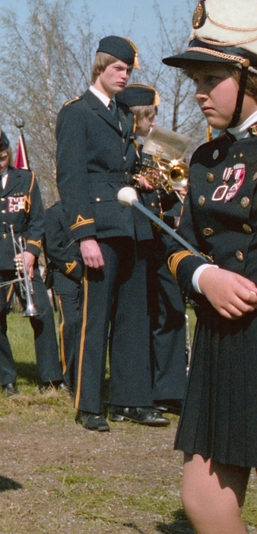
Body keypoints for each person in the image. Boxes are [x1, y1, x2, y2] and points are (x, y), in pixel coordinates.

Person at [155, 0, 257, 533]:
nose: (196, 93)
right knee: (203, 495)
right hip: (224, 339)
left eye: (209, 78)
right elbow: (177, 241)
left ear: (249, 75)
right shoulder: (205, 160)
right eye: (193, 79)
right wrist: (204, 274)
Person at [56, 35, 167, 431]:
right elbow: (71, 178)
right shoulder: (77, 113)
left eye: (129, 70)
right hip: (100, 228)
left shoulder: (123, 115)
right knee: (95, 317)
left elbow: (126, 168)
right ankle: (89, 405)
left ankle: (130, 399)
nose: (125, 76)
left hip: (130, 223)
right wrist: (84, 234)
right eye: (119, 69)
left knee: (133, 316)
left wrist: (145, 179)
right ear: (100, 66)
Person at [0, 127, 63, 394]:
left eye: (3, 158)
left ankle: (51, 378)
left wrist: (31, 252)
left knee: (41, 314)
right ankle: (4, 378)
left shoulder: (27, 180)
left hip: (23, 258)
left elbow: (38, 220)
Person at [117, 83, 189, 416]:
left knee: (172, 308)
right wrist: (136, 181)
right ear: (138, 116)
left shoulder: (157, 151)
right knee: (143, 314)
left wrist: (178, 187)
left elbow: (169, 197)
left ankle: (171, 389)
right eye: (151, 114)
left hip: (164, 238)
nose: (155, 119)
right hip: (139, 238)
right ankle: (142, 390)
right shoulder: (124, 151)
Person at [43, 200, 84, 392]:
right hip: (66, 275)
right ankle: (69, 377)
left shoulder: (88, 209)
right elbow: (53, 248)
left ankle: (85, 374)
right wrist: (76, 270)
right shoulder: (54, 212)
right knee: (71, 324)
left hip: (91, 274)